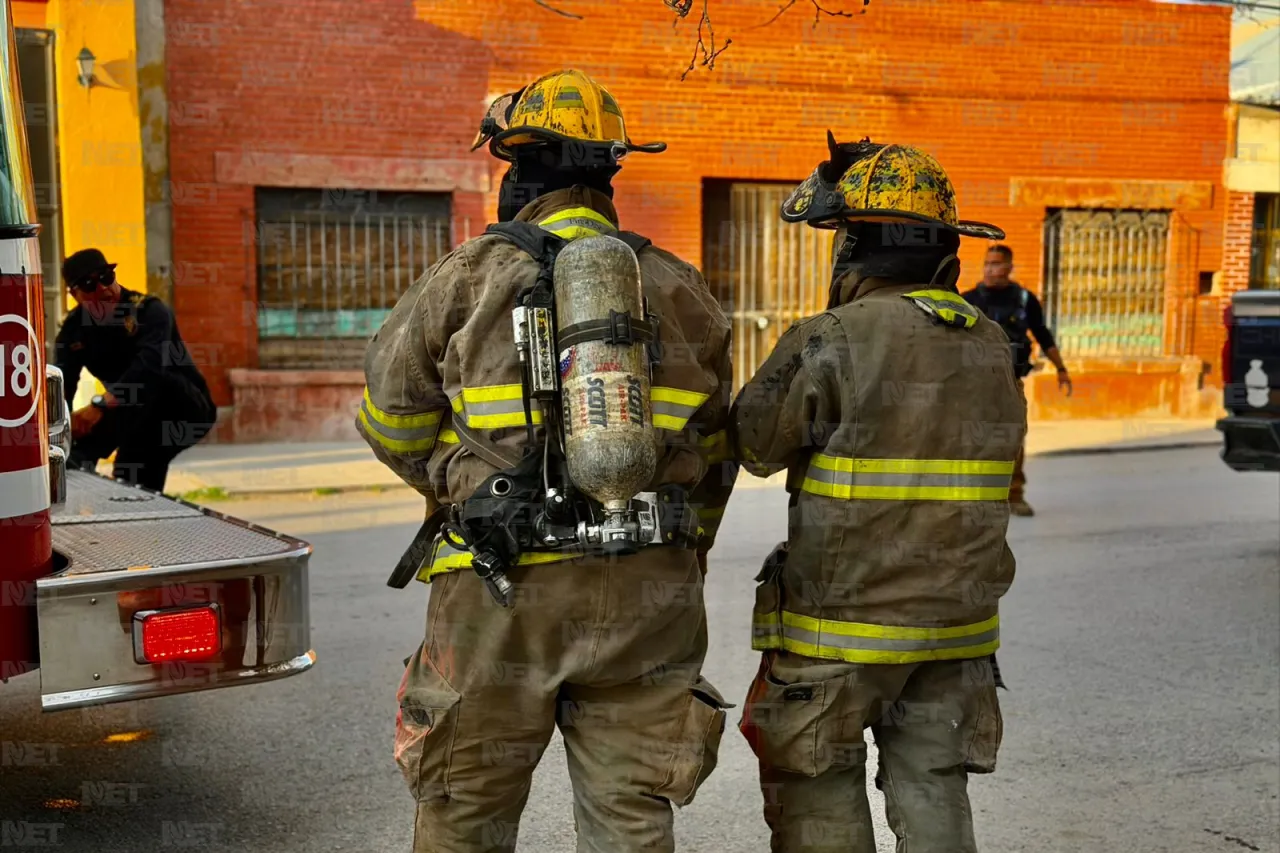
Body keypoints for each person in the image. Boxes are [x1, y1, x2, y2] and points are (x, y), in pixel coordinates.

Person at [357, 69, 738, 853]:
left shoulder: (469, 274)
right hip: (650, 591)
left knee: (465, 808)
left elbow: (390, 419)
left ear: (521, 169)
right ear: (608, 173)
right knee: (631, 816)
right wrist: (679, 546)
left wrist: (462, 487)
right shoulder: (680, 288)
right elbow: (716, 451)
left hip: (502, 588)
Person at [729, 134, 1026, 853]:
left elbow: (753, 443)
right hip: (957, 634)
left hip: (839, 638)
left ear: (852, 250)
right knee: (934, 789)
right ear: (945, 254)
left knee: (818, 788)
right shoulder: (991, 343)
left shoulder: (831, 337)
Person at [54, 248, 217, 493]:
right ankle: (76, 467)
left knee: (147, 385)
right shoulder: (73, 330)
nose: (103, 289)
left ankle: (88, 458)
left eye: (106, 277)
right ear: (74, 294)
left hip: (182, 408)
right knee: (127, 476)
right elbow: (62, 386)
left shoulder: (149, 311)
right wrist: (64, 428)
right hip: (134, 415)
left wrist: (99, 406)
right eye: (89, 285)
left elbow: (149, 368)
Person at [961, 245, 1072, 516]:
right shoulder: (969, 299)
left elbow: (1042, 335)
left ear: (1010, 267)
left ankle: (1014, 495)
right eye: (987, 263)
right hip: (975, 382)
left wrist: (1061, 368)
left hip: (1011, 380)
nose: (990, 269)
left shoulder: (1024, 299)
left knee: (1012, 438)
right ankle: (973, 496)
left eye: (997, 264)